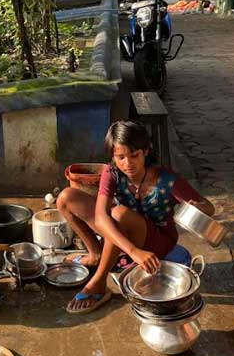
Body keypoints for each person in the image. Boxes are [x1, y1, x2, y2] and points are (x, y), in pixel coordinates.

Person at [56, 120, 215, 314]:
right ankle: (96, 254)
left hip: (158, 240)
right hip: (127, 235)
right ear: (113, 156)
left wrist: (196, 206)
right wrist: (132, 251)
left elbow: (209, 208)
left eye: (134, 155)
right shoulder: (112, 172)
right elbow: (100, 217)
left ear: (146, 151)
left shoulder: (167, 179)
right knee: (66, 198)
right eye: (120, 157)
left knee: (118, 214)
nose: (128, 163)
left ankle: (98, 281)